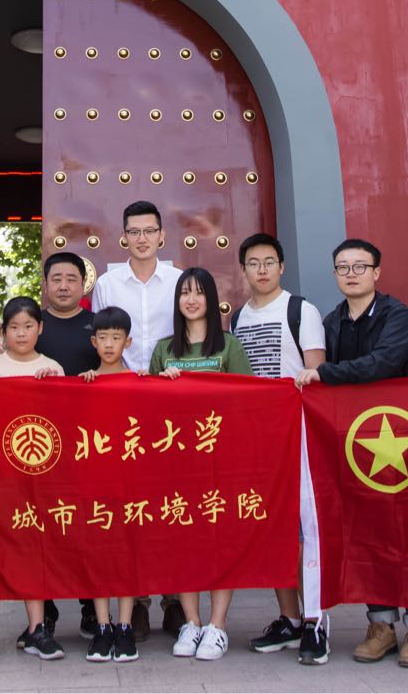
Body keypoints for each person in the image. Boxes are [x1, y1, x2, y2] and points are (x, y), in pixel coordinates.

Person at [294, 238, 408, 667]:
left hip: (400, 438)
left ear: (376, 272)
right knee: (369, 531)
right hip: (357, 443)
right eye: (343, 267)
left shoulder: (396, 314)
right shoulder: (333, 322)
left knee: (407, 531)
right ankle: (381, 624)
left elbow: (385, 362)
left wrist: (325, 373)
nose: (351, 274)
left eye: (360, 266)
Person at [231, 233, 328, 660]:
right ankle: (289, 618)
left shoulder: (300, 310)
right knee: (273, 528)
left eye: (269, 262)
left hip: (299, 433)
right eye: (253, 263)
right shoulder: (238, 318)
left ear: (281, 267)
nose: (262, 270)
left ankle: (315, 621)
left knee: (309, 530)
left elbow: (317, 373)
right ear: (244, 270)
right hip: (259, 437)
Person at [146, 269, 251, 660]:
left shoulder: (229, 346)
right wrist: (161, 383)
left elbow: (248, 400)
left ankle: (217, 625)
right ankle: (191, 623)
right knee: (183, 541)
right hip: (176, 462)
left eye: (198, 293)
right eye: (184, 293)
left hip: (220, 460)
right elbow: (146, 409)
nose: (191, 300)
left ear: (211, 298)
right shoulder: (164, 349)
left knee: (220, 542)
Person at [89, 199, 182, 638]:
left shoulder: (179, 282)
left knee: (170, 502)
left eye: (149, 231)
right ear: (123, 236)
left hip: (169, 402)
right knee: (131, 504)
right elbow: (102, 339)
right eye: (134, 231)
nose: (142, 238)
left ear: (162, 235)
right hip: (121, 405)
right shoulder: (108, 285)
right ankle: (137, 602)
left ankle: (174, 600)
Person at [0, 298, 66, 666]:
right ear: (3, 331)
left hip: (39, 477)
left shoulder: (52, 368)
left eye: (28, 326)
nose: (21, 334)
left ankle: (37, 628)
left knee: (34, 548)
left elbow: (65, 421)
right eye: (13, 327)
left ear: (40, 328)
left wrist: (55, 387)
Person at [34, 251, 99, 638]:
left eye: (71, 279)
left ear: (83, 284)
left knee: (88, 526)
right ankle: (45, 609)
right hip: (42, 444)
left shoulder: (97, 325)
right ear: (45, 284)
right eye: (56, 279)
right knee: (44, 527)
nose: (63, 286)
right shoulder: (33, 326)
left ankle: (91, 606)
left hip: (89, 443)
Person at [77, 307, 142, 665]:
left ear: (127, 342)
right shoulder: (84, 383)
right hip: (95, 483)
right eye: (102, 337)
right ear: (93, 342)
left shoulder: (138, 380)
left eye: (116, 337)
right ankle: (102, 626)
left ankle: (125, 625)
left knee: (127, 552)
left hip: (129, 482)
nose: (109, 344)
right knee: (98, 553)